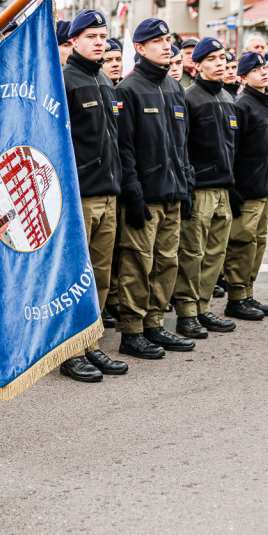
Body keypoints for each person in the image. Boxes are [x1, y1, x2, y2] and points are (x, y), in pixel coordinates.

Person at [114, 18, 195, 359]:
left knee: (166, 262)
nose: (166, 45)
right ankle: (132, 332)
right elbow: (124, 148)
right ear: (140, 48)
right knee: (137, 263)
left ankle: (155, 324)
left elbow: (182, 143)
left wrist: (187, 184)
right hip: (145, 196)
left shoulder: (175, 88)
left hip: (173, 191)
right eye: (158, 41)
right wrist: (132, 192)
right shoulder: (128, 90)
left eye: (168, 39)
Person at [58, 9, 129, 381]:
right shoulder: (65, 81)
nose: (99, 42)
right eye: (91, 36)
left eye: (103, 36)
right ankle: (71, 351)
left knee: (100, 276)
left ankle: (91, 344)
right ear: (73, 42)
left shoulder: (103, 78)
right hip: (81, 196)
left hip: (108, 193)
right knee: (76, 278)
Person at [172, 37, 240, 336]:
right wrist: (187, 186)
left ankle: (203, 307)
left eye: (223, 58)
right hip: (200, 189)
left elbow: (231, 146)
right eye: (212, 59)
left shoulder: (227, 98)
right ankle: (187, 312)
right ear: (196, 65)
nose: (220, 63)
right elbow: (181, 147)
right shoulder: (190, 97)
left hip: (223, 189)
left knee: (215, 254)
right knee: (192, 254)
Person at [223, 52, 268, 320]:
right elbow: (233, 150)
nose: (264, 72)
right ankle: (236, 298)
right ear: (243, 78)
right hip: (246, 190)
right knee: (242, 244)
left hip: (263, 188)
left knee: (257, 245)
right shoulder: (242, 104)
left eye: (265, 67)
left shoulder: (265, 103)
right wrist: (233, 186)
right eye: (256, 70)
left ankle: (248, 293)